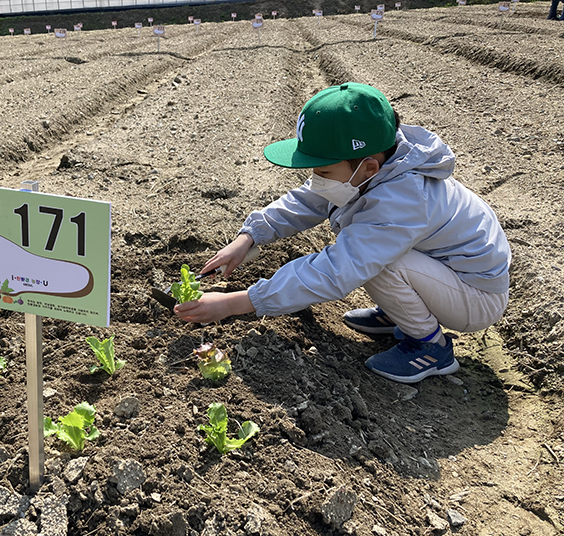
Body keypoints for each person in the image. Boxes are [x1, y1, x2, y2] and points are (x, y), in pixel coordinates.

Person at [174, 83, 511, 384]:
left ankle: (430, 347)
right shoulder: (377, 167)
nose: (315, 179)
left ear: (367, 167)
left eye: (322, 171)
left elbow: (338, 267)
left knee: (377, 261)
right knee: (375, 252)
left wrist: (235, 303)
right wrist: (248, 237)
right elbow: (307, 199)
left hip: (476, 298)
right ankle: (402, 312)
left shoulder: (403, 200)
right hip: (445, 273)